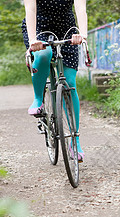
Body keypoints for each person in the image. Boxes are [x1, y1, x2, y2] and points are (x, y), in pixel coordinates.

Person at [22, 0, 87, 161]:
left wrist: (83, 35)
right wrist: (32, 41)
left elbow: (80, 7)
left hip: (68, 30)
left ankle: (75, 140)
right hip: (39, 28)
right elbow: (30, 9)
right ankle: (38, 99)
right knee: (43, 55)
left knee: (70, 83)